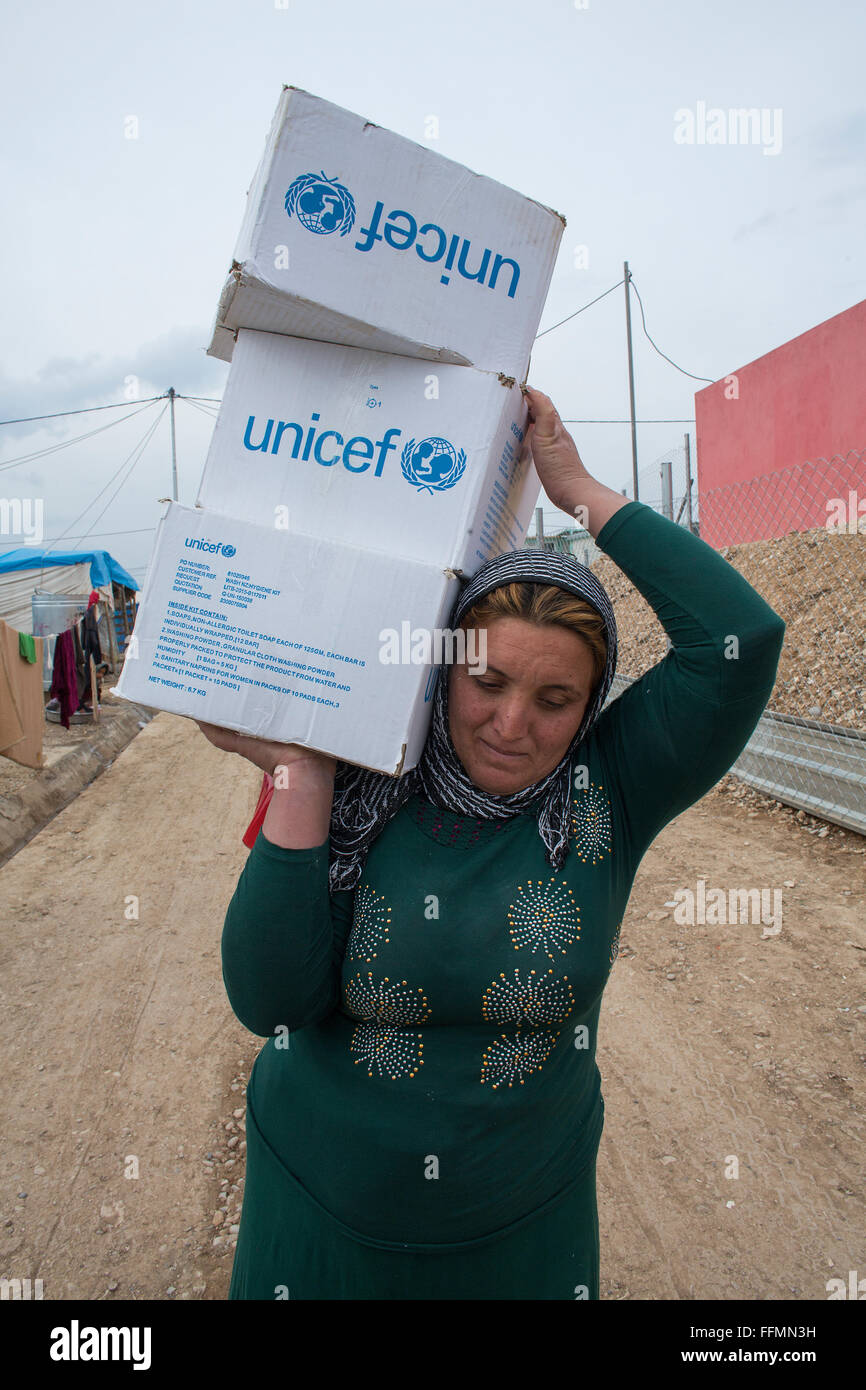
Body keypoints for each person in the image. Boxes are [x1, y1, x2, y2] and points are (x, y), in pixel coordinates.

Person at [197, 387, 785, 1300]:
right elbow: (268, 1000)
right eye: (487, 682)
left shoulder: (609, 791)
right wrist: (302, 778)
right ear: (442, 669)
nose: (512, 724)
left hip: (520, 1238)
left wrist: (577, 487)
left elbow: (742, 637)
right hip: (319, 1225)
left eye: (554, 702)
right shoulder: (363, 772)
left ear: (590, 708)